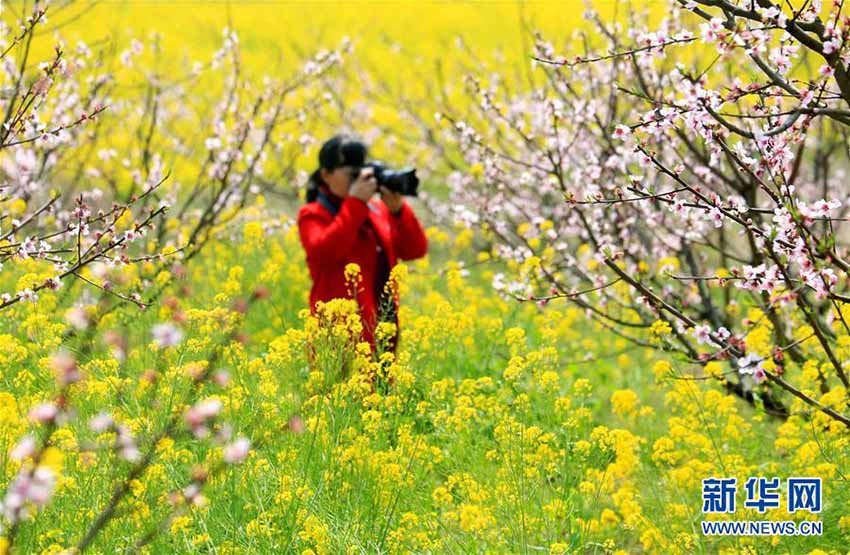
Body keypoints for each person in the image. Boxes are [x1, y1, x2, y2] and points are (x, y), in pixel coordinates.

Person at [297, 133, 428, 360]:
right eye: (352, 174)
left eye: (363, 172)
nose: (359, 180)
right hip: (337, 338)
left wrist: (398, 210)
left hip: (382, 331)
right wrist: (355, 203)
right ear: (326, 175)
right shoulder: (313, 214)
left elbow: (415, 249)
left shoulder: (376, 210)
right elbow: (324, 252)